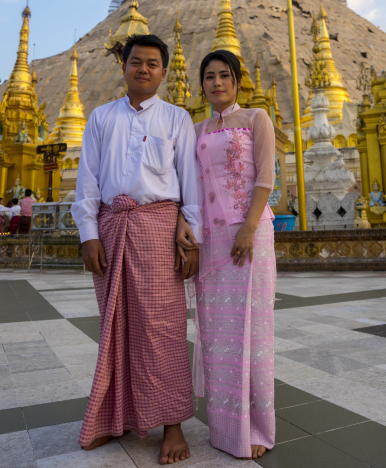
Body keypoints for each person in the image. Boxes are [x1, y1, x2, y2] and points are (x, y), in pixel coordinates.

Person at [71, 34, 201, 464]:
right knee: (116, 328)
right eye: (135, 62)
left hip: (158, 228)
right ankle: (115, 417)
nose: (143, 69)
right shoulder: (102, 118)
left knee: (160, 328)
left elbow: (191, 184)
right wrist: (88, 233)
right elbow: (87, 180)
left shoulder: (177, 118)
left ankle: (173, 424)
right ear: (123, 67)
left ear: (164, 72)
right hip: (111, 227)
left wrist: (192, 236)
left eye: (151, 64)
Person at [177, 49, 276, 460]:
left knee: (251, 332)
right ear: (202, 84)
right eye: (209, 77)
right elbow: (188, 186)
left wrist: (249, 230)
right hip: (211, 239)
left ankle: (256, 428)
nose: (216, 83)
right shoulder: (195, 129)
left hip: (248, 234)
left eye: (224, 75)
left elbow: (265, 176)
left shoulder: (257, 118)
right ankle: (224, 427)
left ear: (236, 80)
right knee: (217, 336)